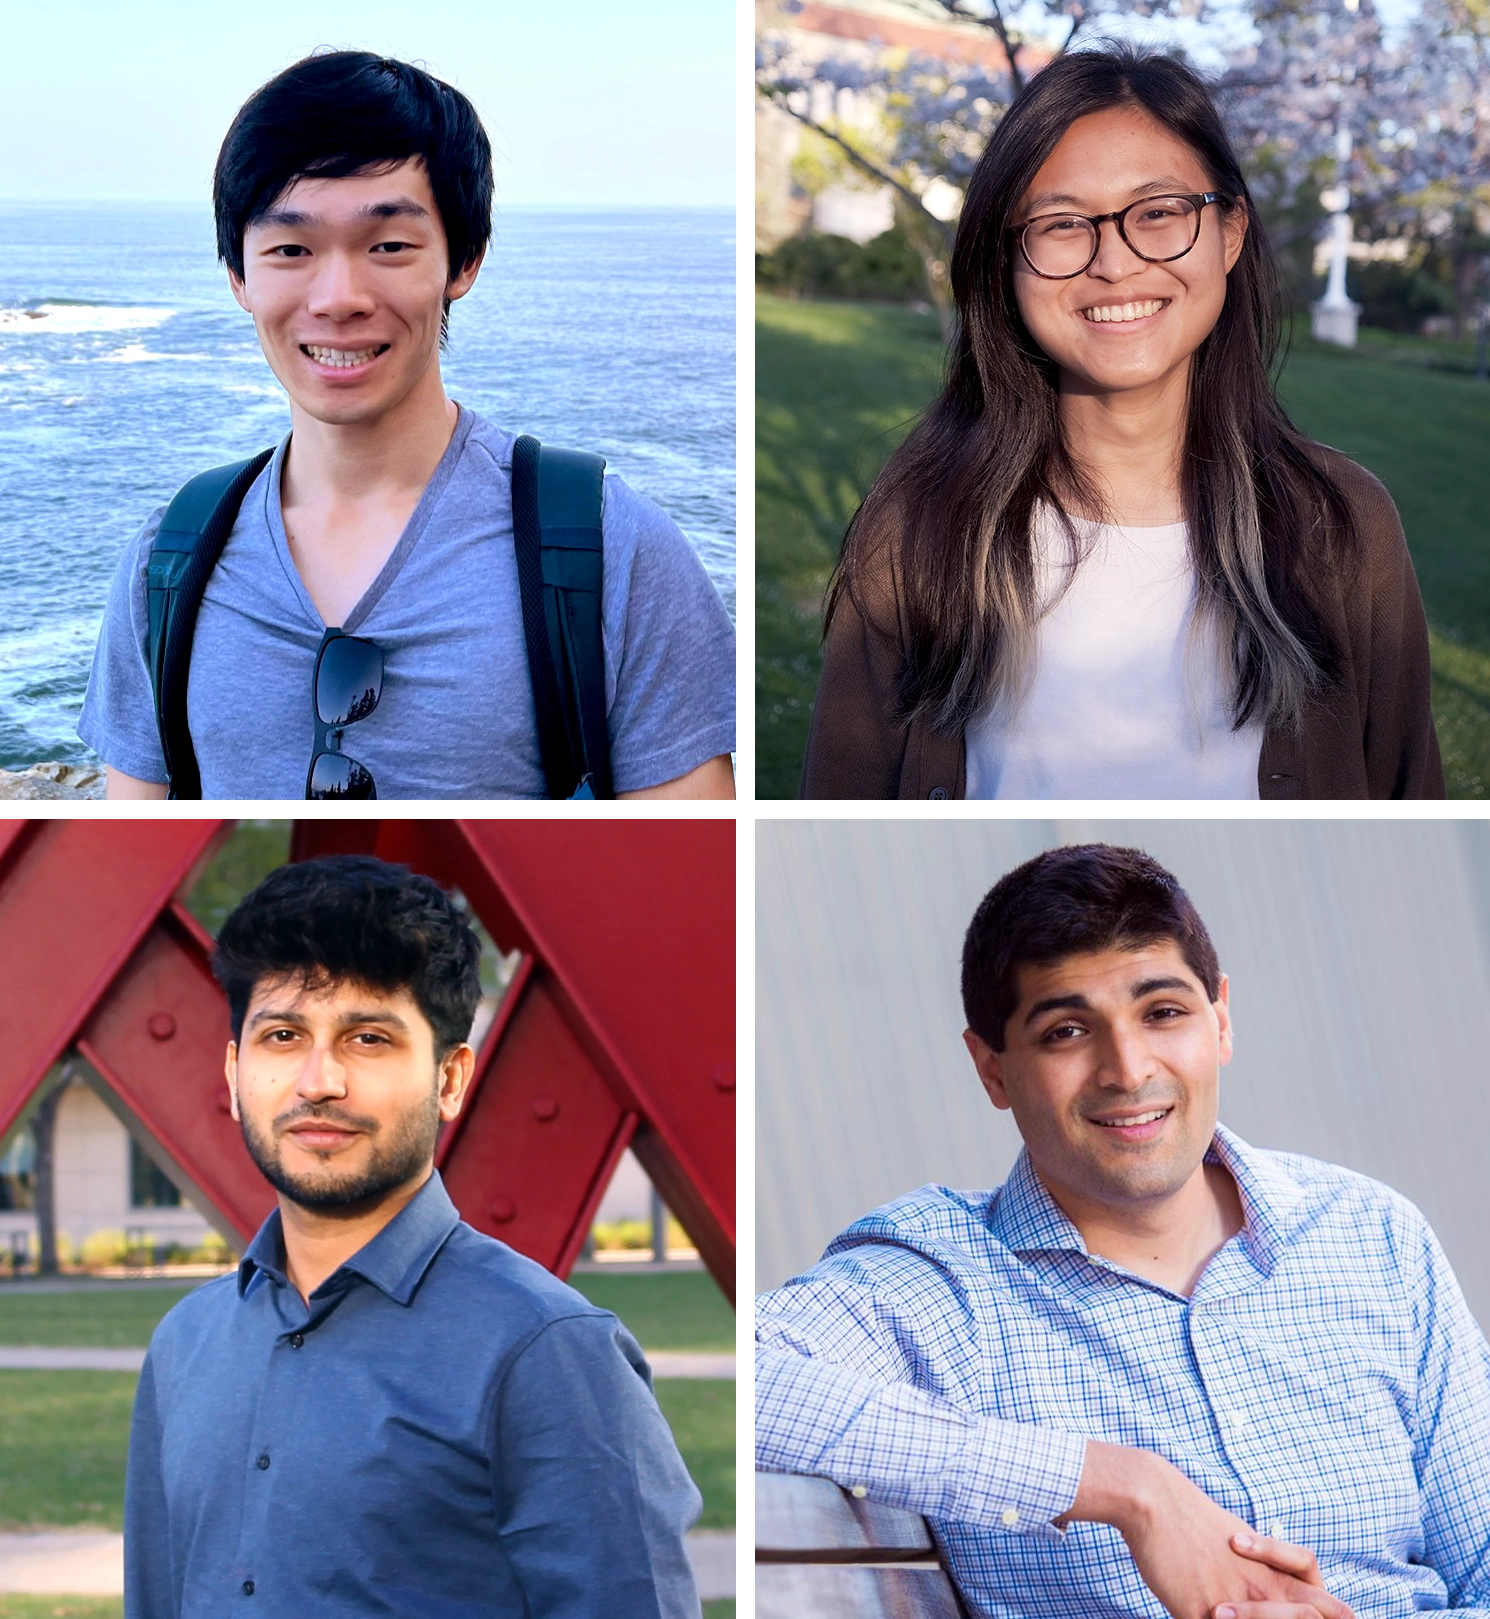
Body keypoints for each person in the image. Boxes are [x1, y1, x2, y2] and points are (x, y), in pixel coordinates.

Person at [753, 843, 1490, 1619]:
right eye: (1067, 1030)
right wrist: (1125, 1488)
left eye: (1163, 1012)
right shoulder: (937, 1281)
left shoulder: (1372, 1236)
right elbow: (759, 1378)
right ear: (993, 1069)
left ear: (1221, 1020)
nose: (1128, 1068)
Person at [79, 49, 736, 801]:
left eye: (388, 245)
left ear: (465, 260)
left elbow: (692, 884)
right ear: (239, 277)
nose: (338, 296)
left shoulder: (613, 548)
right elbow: (137, 856)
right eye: (290, 249)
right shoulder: (167, 561)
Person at [799, 47, 1443, 800]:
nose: (1114, 262)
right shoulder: (914, 528)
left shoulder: (1345, 530)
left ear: (1229, 231)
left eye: (1160, 213)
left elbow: (1414, 820)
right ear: (1006, 262)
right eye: (1062, 223)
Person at [124, 854, 702, 1618]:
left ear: (451, 1077)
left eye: (368, 1038)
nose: (318, 1080)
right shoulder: (183, 1343)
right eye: (284, 1035)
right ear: (234, 1073)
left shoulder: (549, 1350)